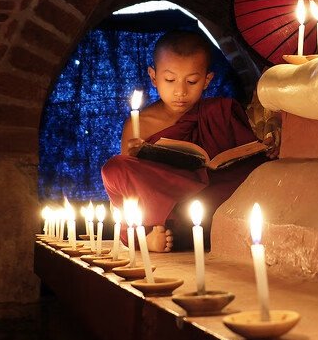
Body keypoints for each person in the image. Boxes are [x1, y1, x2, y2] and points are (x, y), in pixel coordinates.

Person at [101, 29, 273, 251]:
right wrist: (136, 157)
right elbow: (131, 188)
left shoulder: (220, 111)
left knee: (257, 175)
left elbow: (246, 154)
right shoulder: (140, 123)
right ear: (153, 77)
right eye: (170, 80)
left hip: (210, 195)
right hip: (164, 207)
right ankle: (146, 236)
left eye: (191, 81)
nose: (180, 91)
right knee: (115, 168)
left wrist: (265, 150)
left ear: (207, 80)